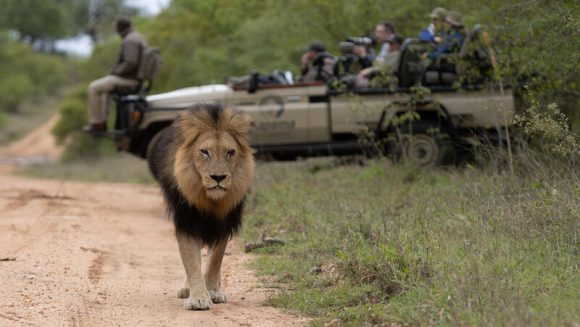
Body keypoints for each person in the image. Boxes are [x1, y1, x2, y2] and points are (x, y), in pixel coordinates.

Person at [83, 17, 147, 133]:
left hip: (130, 80)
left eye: (116, 27)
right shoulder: (137, 36)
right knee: (103, 88)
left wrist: (115, 72)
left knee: (93, 87)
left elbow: (130, 63)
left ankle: (97, 123)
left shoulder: (130, 40)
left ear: (120, 27)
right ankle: (101, 122)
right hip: (132, 78)